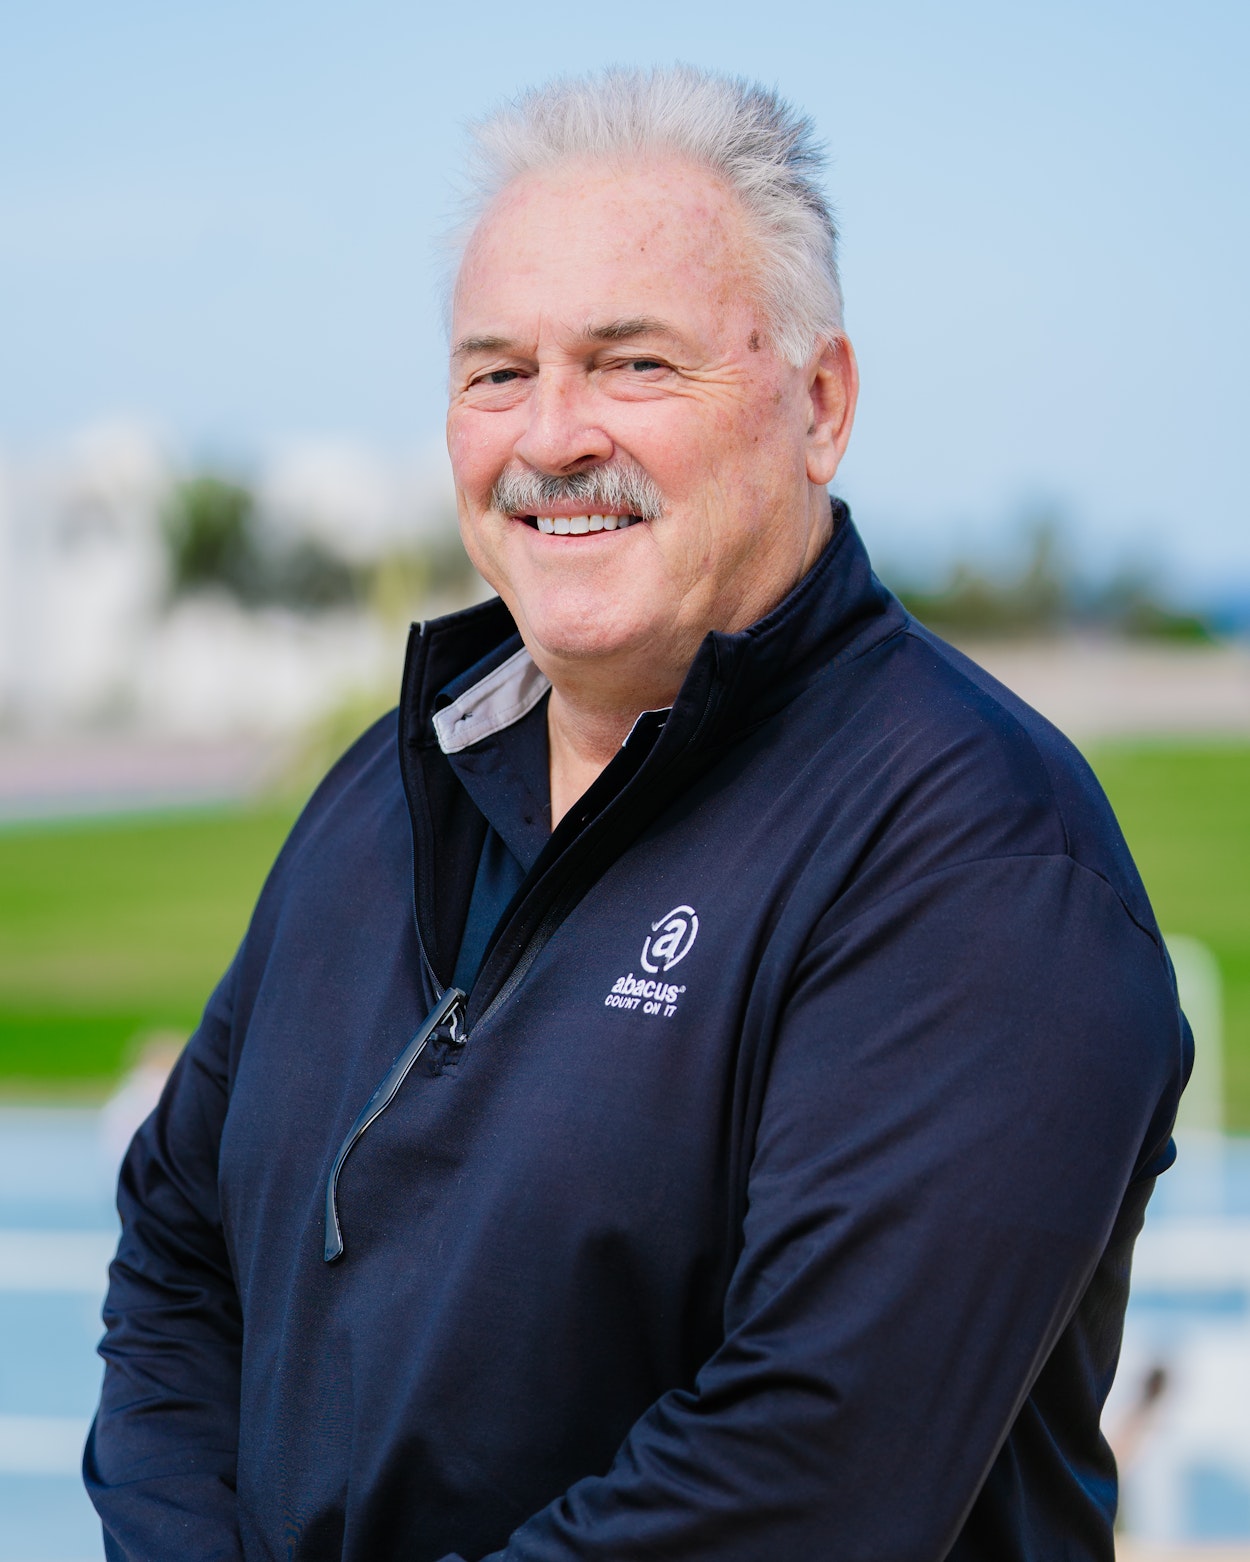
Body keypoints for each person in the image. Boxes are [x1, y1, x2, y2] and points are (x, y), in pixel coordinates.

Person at [85, 66, 1190, 1561]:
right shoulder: (381, 792)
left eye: (634, 364)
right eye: (496, 373)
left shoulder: (978, 855)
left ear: (819, 405)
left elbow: (804, 1482)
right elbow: (175, 1253)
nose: (550, 437)